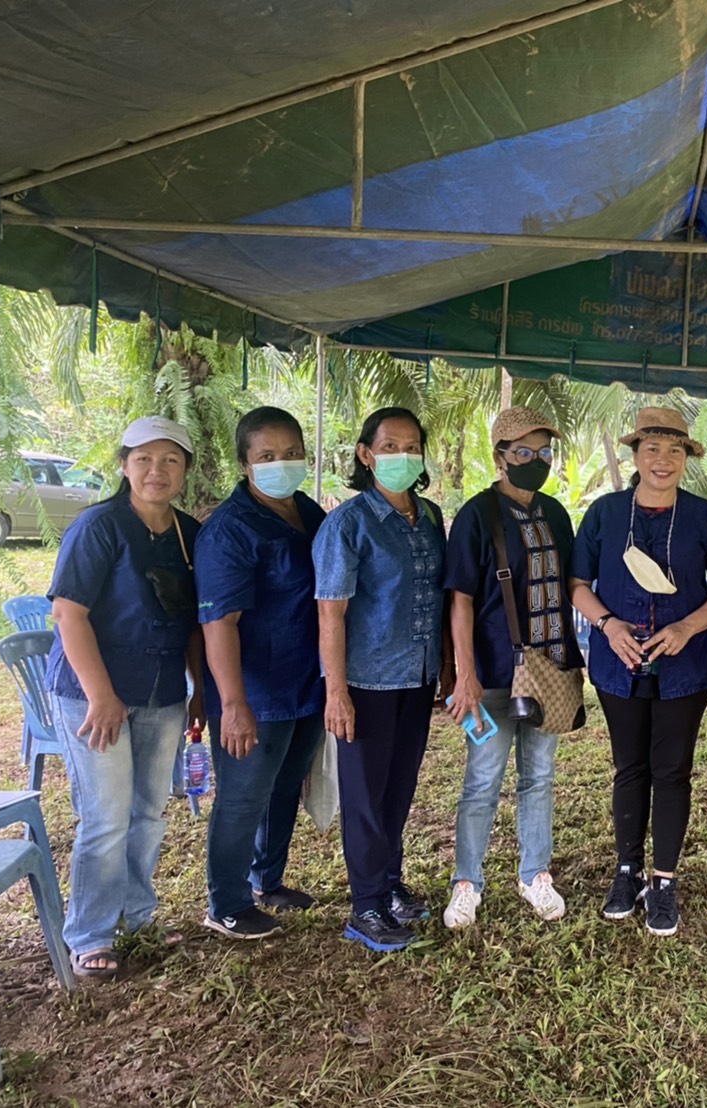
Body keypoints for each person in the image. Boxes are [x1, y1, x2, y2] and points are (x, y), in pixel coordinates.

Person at [569, 407, 707, 937]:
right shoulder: (603, 514)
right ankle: (627, 871)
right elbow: (578, 582)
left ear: (686, 458)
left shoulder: (704, 517)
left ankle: (664, 879)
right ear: (635, 454)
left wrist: (687, 628)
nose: (661, 460)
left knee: (672, 770)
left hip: (682, 663)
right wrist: (608, 625)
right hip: (617, 662)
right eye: (651, 449)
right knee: (629, 768)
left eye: (673, 450)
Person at [45, 416, 204, 979]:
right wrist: (102, 695)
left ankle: (137, 915)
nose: (156, 471)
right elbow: (68, 614)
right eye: (143, 459)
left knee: (149, 812)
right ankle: (88, 932)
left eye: (169, 460)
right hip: (94, 697)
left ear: (185, 469)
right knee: (105, 817)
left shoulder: (189, 534)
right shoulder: (99, 526)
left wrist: (198, 690)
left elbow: (193, 623)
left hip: (162, 693)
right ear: (123, 465)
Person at [313, 406, 453, 952]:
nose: (402, 455)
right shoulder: (347, 524)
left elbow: (439, 598)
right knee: (366, 797)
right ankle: (366, 906)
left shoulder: (431, 515)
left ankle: (389, 884)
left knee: (398, 788)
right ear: (366, 455)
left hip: (416, 677)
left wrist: (444, 664)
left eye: (411, 445)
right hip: (366, 682)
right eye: (389, 446)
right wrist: (336, 691)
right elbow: (331, 614)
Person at [442, 406, 585, 930]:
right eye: (524, 452)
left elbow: (573, 586)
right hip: (495, 672)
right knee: (482, 780)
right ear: (500, 456)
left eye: (544, 452)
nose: (536, 461)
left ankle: (535, 873)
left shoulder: (556, 514)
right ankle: (466, 883)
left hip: (550, 668)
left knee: (539, 776)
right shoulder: (478, 515)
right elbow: (459, 600)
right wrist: (466, 673)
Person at [195, 407, 327, 941]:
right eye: (267, 456)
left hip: (304, 681)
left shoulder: (308, 511)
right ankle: (226, 903)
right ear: (245, 463)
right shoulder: (230, 529)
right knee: (243, 795)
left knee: (284, 785)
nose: (282, 464)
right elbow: (218, 622)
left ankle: (266, 881)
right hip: (253, 690)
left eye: (291, 453)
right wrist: (232, 704)